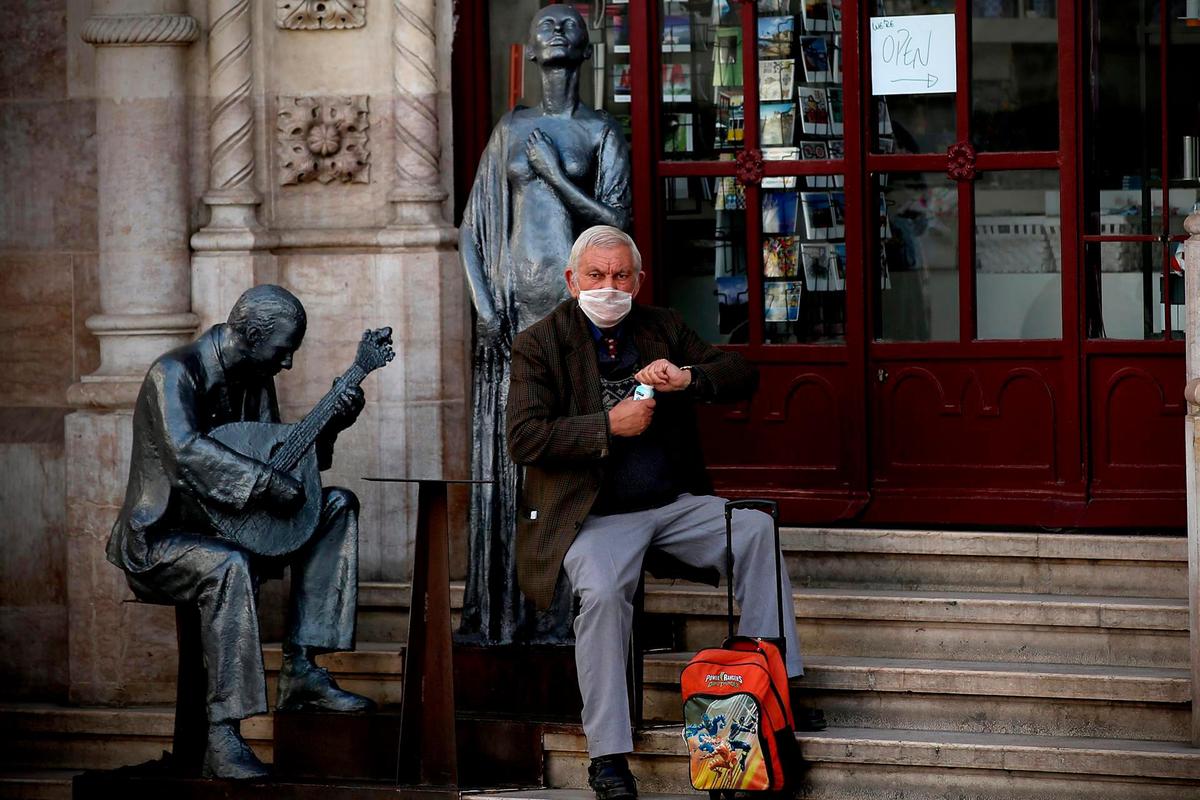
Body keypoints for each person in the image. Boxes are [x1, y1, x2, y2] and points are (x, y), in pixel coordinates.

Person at [507, 227, 806, 800]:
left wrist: (688, 378)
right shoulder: (539, 342)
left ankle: (775, 694)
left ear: (638, 281)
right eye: (596, 276)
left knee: (753, 528)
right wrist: (607, 427)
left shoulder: (660, 326)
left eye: (621, 276)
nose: (609, 287)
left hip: (670, 506)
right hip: (590, 517)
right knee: (600, 594)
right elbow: (524, 438)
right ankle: (609, 756)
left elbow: (742, 374)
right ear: (573, 281)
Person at [106, 285, 373, 780]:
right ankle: (222, 735)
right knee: (228, 566)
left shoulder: (256, 377)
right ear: (251, 335)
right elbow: (186, 454)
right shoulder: (173, 374)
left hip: (237, 529)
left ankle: (302, 667)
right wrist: (267, 484)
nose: (289, 363)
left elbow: (280, 456)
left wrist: (330, 428)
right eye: (284, 350)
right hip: (164, 539)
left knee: (337, 505)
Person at [457, 4, 632, 644]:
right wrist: (484, 307)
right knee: (511, 470)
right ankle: (509, 612)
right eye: (543, 26)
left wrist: (557, 178)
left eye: (568, 24)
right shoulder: (510, 128)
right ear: (529, 52)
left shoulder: (600, 132)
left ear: (586, 48)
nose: (554, 30)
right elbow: (471, 232)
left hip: (574, 326)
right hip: (509, 326)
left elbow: (616, 226)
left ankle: (564, 612)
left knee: (565, 467)